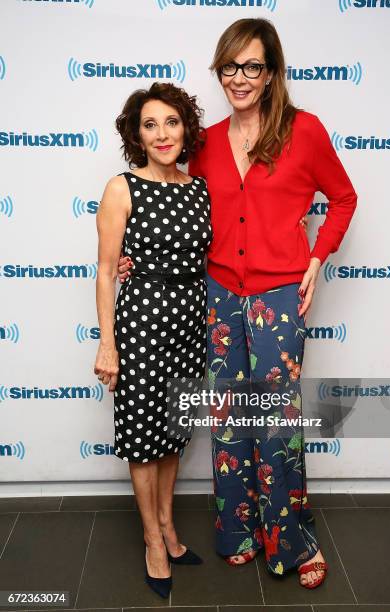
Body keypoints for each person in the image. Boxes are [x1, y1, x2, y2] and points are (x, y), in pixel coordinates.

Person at [118, 18, 357, 589]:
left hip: (278, 297)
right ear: (219, 71)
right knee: (227, 420)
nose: (240, 77)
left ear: (272, 72)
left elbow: (344, 197)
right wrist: (134, 258)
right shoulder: (204, 145)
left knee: (275, 424)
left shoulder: (307, 132)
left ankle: (292, 542)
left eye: (253, 66)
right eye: (230, 66)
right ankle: (238, 531)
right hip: (219, 297)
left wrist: (317, 259)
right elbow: (176, 206)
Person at [94, 82, 212, 599]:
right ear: (136, 135)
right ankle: (151, 539)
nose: (162, 133)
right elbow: (104, 271)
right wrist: (107, 343)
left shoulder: (198, 187)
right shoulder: (122, 187)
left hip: (189, 322)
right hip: (142, 322)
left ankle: (167, 522)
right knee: (144, 437)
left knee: (174, 432)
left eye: (171, 122)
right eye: (150, 124)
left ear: (185, 128)